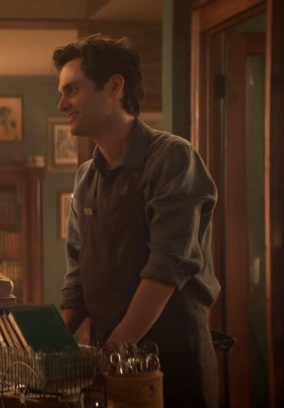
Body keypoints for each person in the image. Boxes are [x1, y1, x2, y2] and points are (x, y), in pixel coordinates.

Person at [54, 34, 221, 408]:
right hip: (109, 363)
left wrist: (110, 353)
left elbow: (166, 268)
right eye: (62, 93)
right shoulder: (86, 177)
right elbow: (77, 275)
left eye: (73, 90)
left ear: (114, 87)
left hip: (171, 364)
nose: (62, 104)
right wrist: (50, 350)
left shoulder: (172, 158)